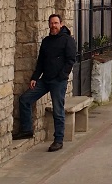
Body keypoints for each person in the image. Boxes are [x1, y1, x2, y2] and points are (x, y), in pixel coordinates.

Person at [13, 14, 77, 152]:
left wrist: (62, 76)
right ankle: (26, 129)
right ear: (49, 24)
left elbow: (71, 60)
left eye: (56, 23)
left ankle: (58, 140)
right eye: (51, 23)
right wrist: (34, 77)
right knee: (25, 99)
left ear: (61, 24)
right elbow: (40, 61)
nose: (53, 25)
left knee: (58, 111)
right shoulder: (47, 41)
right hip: (45, 79)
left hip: (58, 81)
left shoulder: (67, 40)